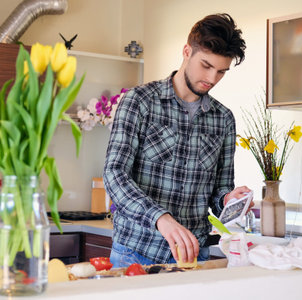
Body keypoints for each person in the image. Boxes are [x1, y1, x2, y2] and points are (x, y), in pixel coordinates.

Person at [103, 13, 251, 268]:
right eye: (206, 65)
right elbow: (114, 174)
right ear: (186, 51)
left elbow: (219, 190)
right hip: (135, 255)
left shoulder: (224, 119)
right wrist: (161, 218)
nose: (212, 79)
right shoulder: (139, 102)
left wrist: (229, 201)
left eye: (221, 71)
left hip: (192, 258)